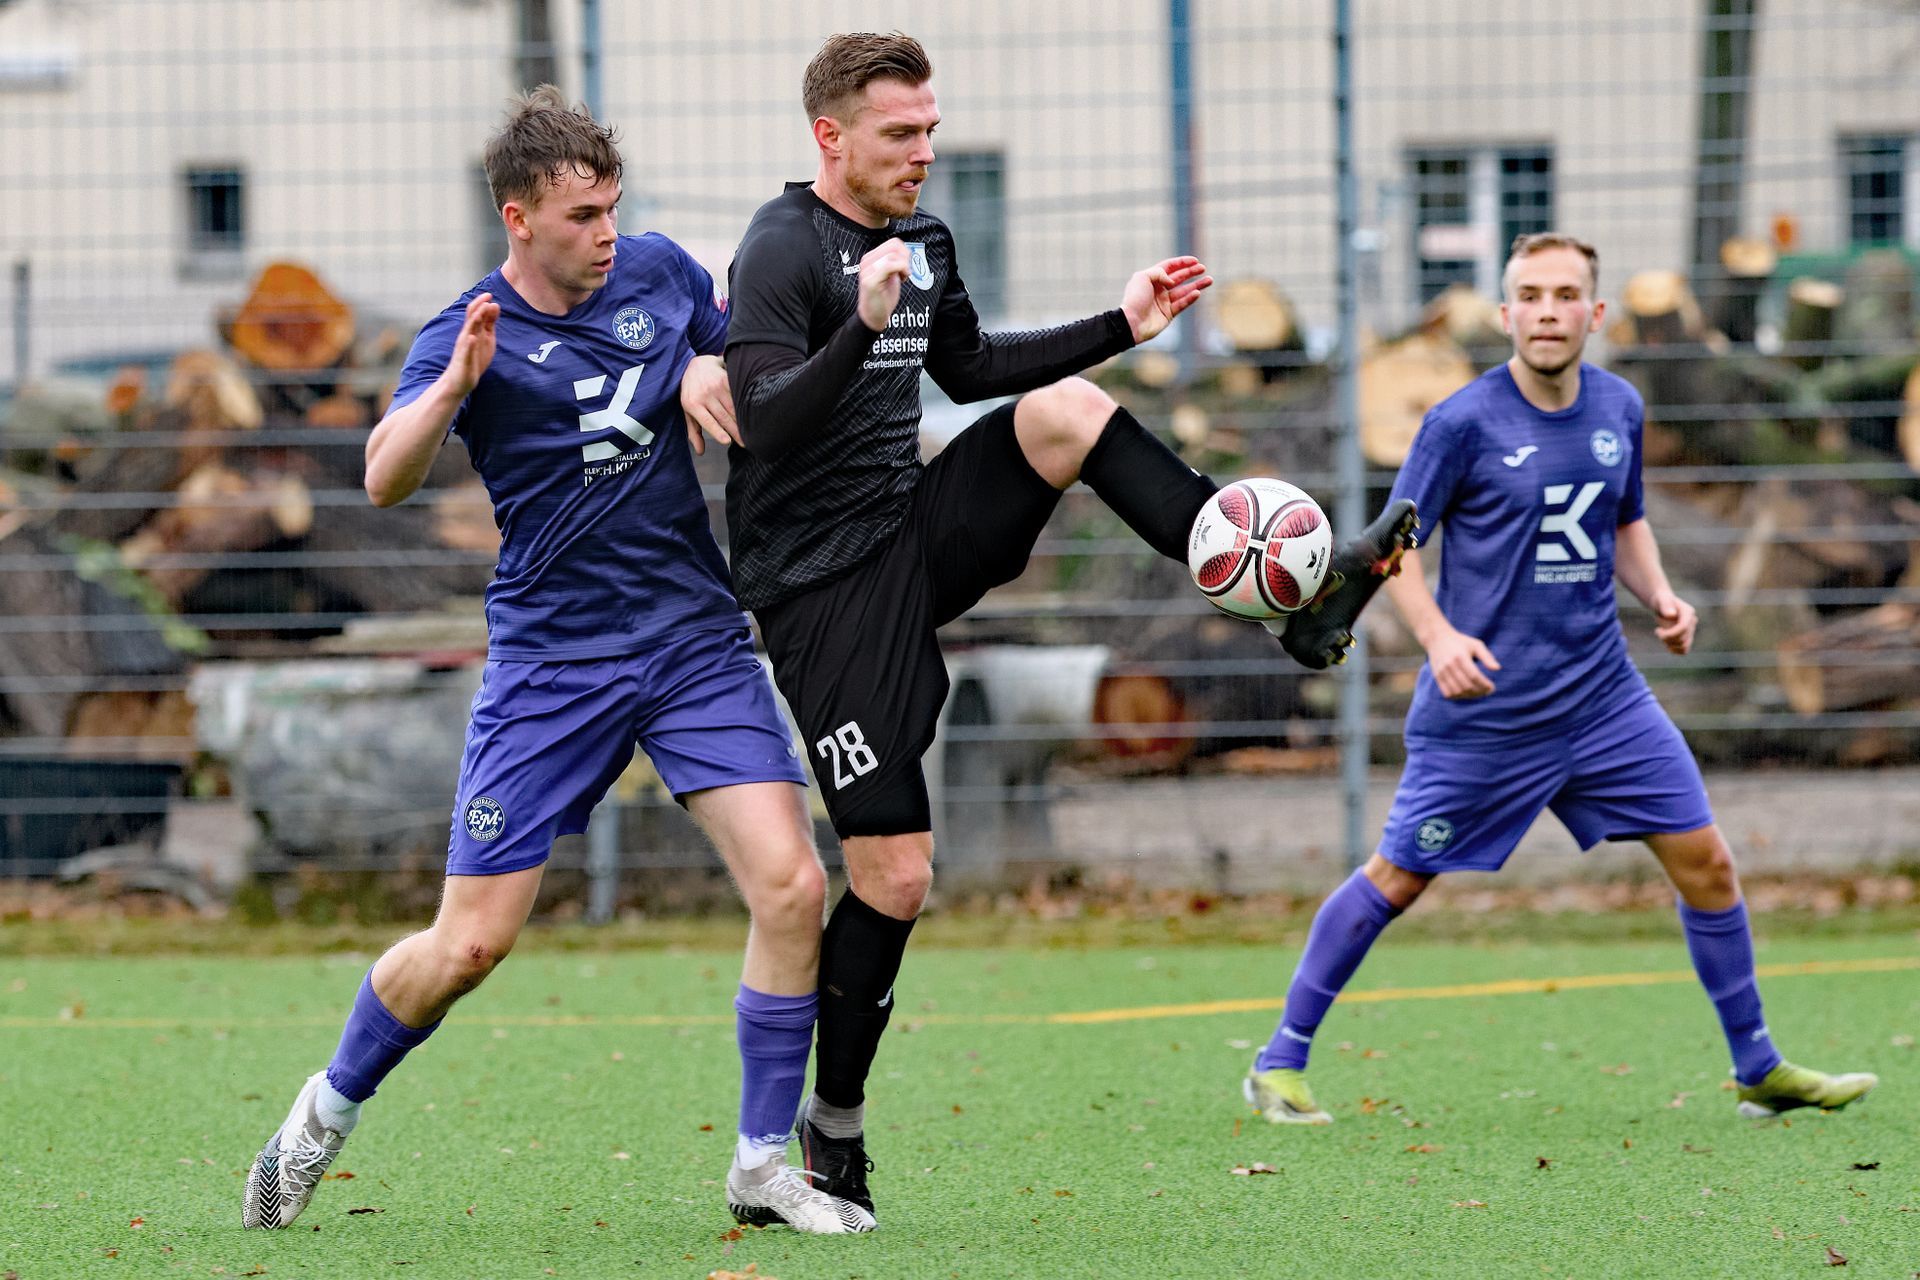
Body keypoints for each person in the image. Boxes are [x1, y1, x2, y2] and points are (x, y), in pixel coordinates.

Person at [722, 32, 1418, 1223]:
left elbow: (970, 365)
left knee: (1066, 411)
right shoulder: (781, 246)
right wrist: (859, 323)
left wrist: (1121, 321)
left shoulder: (924, 239)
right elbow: (762, 419)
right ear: (830, 136)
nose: (923, 152)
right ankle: (830, 1126)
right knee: (896, 875)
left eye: (931, 130)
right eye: (900, 133)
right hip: (822, 591)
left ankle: (1288, 604)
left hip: (912, 528)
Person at [243, 86, 874, 1236]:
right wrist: (451, 389)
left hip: (690, 643)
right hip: (552, 665)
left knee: (792, 883)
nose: (607, 233)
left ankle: (760, 1163)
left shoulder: (661, 273)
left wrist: (704, 366)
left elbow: (739, 365)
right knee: (468, 944)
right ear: (518, 217)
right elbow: (382, 475)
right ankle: (322, 1112)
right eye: (583, 215)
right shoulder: (466, 330)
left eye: (613, 208)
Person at [1243, 232, 1879, 1127]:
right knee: (1397, 879)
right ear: (1507, 314)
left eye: (1566, 295)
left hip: (1604, 698)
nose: (1549, 312)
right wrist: (1439, 639)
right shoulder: (1460, 423)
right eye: (1532, 296)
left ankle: (1757, 1068)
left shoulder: (1620, 405)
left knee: (1707, 863)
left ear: (1596, 313)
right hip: (1487, 711)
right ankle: (1279, 1061)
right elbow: (1393, 548)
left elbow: (1625, 519)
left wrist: (1661, 595)